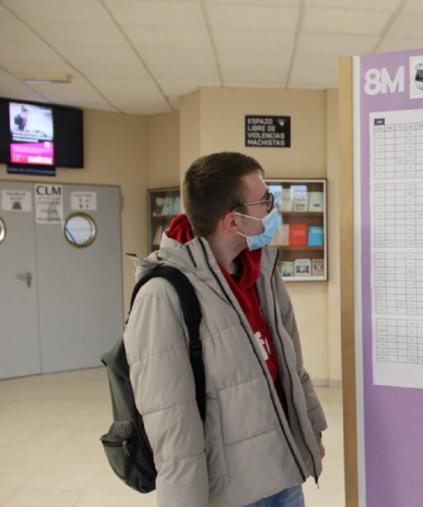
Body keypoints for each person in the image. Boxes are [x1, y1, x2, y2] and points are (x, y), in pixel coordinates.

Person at [125, 152, 326, 506]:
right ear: (233, 221)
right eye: (264, 201)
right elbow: (171, 421)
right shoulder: (162, 295)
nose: (272, 209)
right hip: (233, 492)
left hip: (284, 473)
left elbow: (291, 365)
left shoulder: (262, 273)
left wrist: (310, 430)